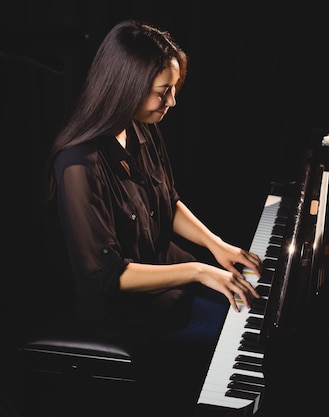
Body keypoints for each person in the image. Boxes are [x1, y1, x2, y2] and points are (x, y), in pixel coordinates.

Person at [43, 19, 262, 414]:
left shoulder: (141, 127)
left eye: (173, 90)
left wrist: (217, 247)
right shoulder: (78, 164)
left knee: (254, 318)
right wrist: (200, 270)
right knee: (249, 344)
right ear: (127, 87)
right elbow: (108, 276)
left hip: (171, 293)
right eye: (163, 92)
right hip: (129, 318)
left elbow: (167, 201)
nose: (172, 102)